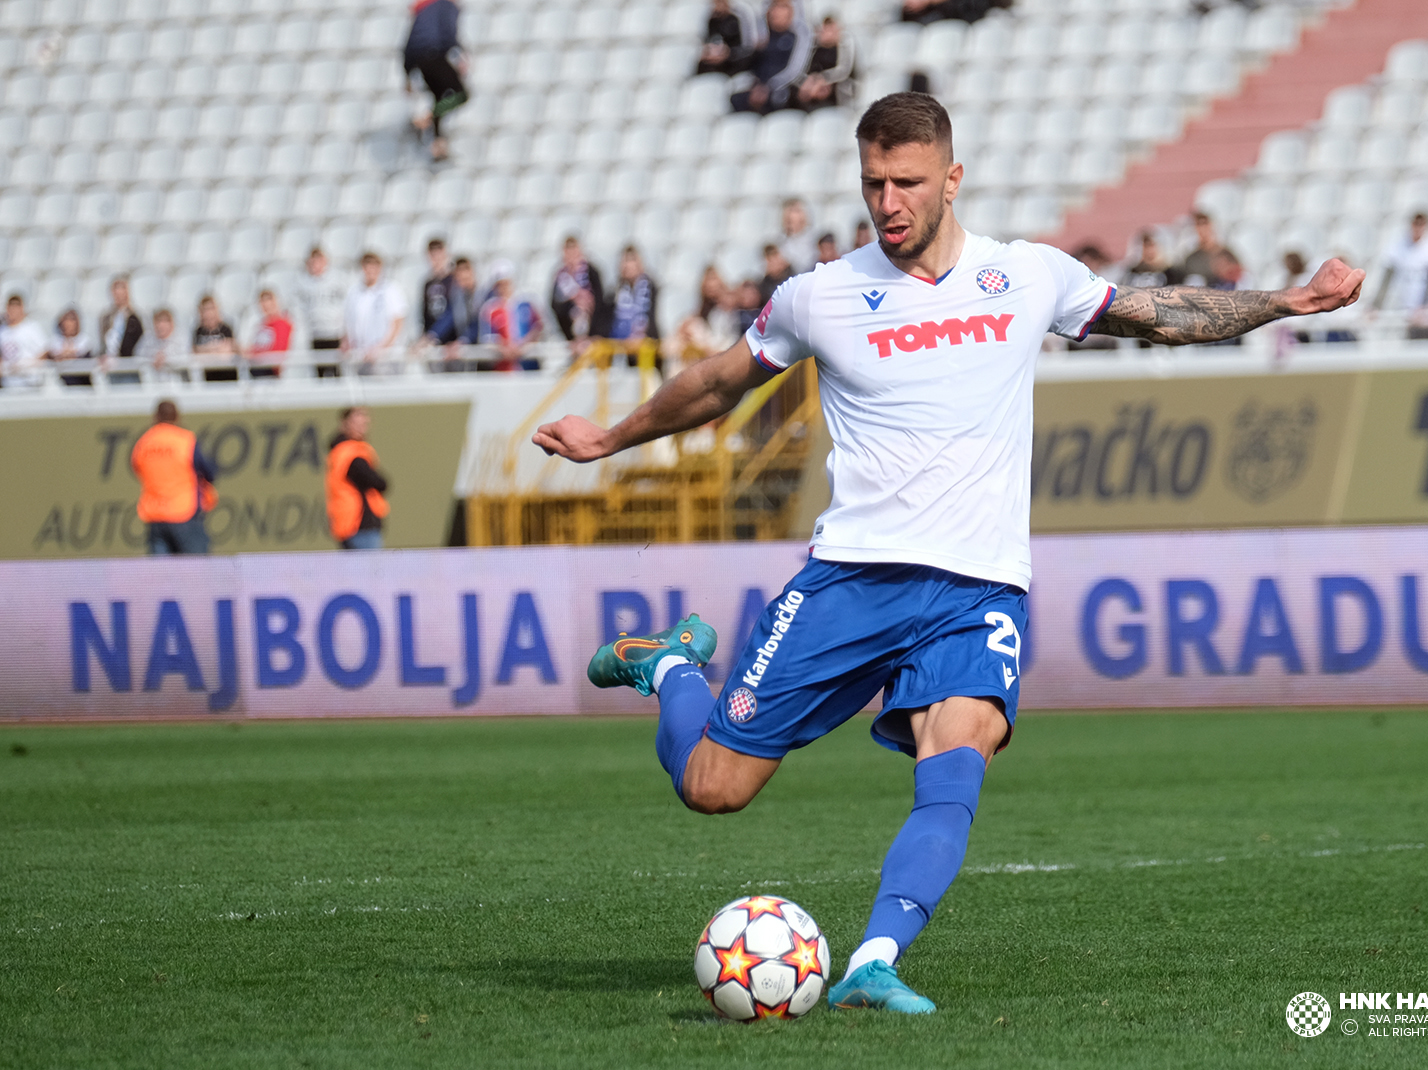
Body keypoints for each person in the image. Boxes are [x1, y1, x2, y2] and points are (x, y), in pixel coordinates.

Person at [533, 91, 1362, 1015]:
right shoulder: (821, 295)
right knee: (712, 788)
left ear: (952, 179)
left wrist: (1289, 301)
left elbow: (1161, 313)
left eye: (908, 183)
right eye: (873, 183)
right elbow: (716, 383)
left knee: (957, 754)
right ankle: (674, 667)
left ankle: (875, 960)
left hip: (978, 589)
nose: (888, 202)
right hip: (854, 577)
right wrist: (610, 439)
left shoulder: (1029, 277)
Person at [131, 399, 216, 555]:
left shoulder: (144, 442)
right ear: (177, 416)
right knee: (196, 571)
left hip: (155, 514)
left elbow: (137, 468)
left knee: (162, 574)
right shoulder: (185, 440)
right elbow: (209, 472)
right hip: (184, 511)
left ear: (156, 417)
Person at [403, 0, 470, 162]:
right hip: (435, 55)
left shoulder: (423, 10)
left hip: (420, 61)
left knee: (439, 98)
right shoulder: (446, 6)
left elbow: (408, 45)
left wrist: (407, 73)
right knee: (461, 95)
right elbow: (448, 33)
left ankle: (438, 142)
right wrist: (460, 54)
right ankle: (428, 118)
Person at [730, 0, 810, 115]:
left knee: (778, 99)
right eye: (774, 10)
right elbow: (752, 66)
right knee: (737, 98)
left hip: (781, 86)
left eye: (781, 10)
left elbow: (794, 70)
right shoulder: (764, 39)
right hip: (758, 86)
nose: (775, 14)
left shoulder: (795, 37)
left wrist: (769, 86)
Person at [326, 406, 389, 550]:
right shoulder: (351, 454)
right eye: (357, 423)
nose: (362, 428)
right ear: (345, 424)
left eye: (364, 424)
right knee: (370, 570)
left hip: (347, 523)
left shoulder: (338, 451)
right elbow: (379, 482)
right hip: (359, 523)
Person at [1373, 212, 1428, 325]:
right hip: (1404, 308)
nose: (1418, 228)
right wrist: (1376, 306)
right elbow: (1387, 278)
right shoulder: (1399, 246)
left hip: (1427, 310)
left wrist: (1426, 307)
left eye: (1421, 224)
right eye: (1416, 224)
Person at [344, 251, 407, 370]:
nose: (370, 270)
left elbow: (398, 322)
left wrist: (381, 349)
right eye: (367, 266)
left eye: (374, 266)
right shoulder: (354, 292)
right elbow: (349, 322)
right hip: (362, 355)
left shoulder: (391, 289)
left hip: (386, 357)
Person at [478, 259, 544, 371]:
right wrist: (505, 349)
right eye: (500, 284)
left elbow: (538, 328)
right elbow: (487, 338)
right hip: (502, 368)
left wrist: (522, 346)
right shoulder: (490, 308)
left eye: (506, 283)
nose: (503, 288)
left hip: (528, 365)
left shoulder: (527, 304)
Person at [293, 247, 347, 377]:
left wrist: (344, 332)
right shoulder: (302, 283)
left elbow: (345, 306)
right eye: (313, 262)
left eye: (319, 261)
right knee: (320, 373)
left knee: (336, 372)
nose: (316, 265)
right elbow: (299, 310)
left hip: (334, 333)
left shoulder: (337, 280)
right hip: (315, 334)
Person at [551, 236, 606, 354]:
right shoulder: (560, 277)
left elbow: (600, 303)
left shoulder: (591, 272)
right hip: (571, 335)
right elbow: (555, 306)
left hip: (592, 334)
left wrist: (594, 334)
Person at [793, 14, 855, 112]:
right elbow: (804, 69)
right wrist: (809, 83)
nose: (825, 32)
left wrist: (823, 80)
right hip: (814, 89)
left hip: (835, 88)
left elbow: (844, 70)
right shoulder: (815, 49)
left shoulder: (843, 47)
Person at [608, 246, 660, 350]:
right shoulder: (615, 291)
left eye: (631, 260)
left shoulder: (651, 288)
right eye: (625, 261)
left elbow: (652, 319)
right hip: (619, 343)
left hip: (645, 343)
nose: (628, 265)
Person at [697, 0, 760, 76]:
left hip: (737, 60)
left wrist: (728, 54)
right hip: (718, 61)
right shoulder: (712, 20)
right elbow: (711, 40)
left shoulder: (738, 16)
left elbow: (749, 46)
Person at [1177, 211, 1236, 287]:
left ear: (1211, 225)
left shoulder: (1226, 253)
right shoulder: (1191, 259)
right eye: (1198, 224)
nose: (1202, 228)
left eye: (1205, 223)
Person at [0, 294, 50, 384]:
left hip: (29, 381)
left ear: (21, 308)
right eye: (10, 307)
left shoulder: (31, 328)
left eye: (15, 307)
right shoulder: (2, 330)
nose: (12, 311)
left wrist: (28, 365)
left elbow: (44, 351)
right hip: (9, 381)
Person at [247, 289, 293, 377]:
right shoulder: (262, 325)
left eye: (269, 300)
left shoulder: (282, 324)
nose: (266, 305)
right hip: (258, 368)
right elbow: (254, 348)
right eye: (263, 301)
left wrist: (255, 355)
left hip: (270, 371)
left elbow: (278, 351)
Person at [97, 276, 144, 359]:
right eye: (115, 290)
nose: (117, 294)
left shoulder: (135, 316)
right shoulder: (106, 317)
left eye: (121, 289)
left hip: (128, 361)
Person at [135, 308, 188, 375]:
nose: (160, 325)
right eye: (158, 321)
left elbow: (185, 358)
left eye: (164, 321)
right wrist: (153, 357)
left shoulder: (180, 338)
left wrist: (165, 359)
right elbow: (138, 355)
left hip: (174, 380)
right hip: (152, 379)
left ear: (171, 323)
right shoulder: (148, 338)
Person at [421, 237, 454, 339]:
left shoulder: (453, 280)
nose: (436, 260)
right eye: (433, 256)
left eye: (439, 255)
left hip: (452, 338)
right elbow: (425, 314)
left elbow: (454, 311)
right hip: (433, 339)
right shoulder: (428, 283)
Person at [778, 198, 817, 274]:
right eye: (789, 211)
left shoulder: (814, 240)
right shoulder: (779, 241)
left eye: (796, 211)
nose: (790, 215)